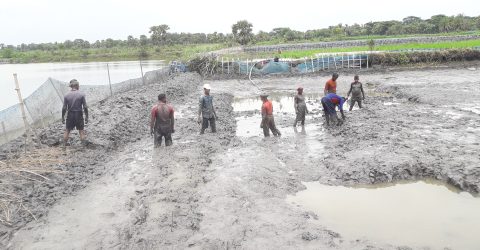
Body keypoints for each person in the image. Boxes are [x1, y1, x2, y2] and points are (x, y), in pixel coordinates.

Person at [62, 79, 88, 148]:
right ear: (77, 86)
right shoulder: (81, 94)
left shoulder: (66, 95)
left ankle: (63, 146)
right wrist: (87, 116)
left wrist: (62, 117)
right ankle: (83, 146)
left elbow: (64, 108)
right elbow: (85, 106)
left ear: (71, 86)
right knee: (81, 131)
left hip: (70, 115)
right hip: (79, 115)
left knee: (67, 130)